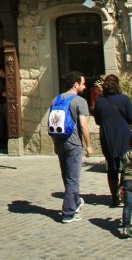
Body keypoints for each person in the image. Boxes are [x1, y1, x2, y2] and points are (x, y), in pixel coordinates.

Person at [52, 72, 92, 223]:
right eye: (82, 83)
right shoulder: (79, 101)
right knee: (73, 179)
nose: (84, 86)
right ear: (75, 84)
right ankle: (68, 213)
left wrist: (55, 143)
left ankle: (74, 203)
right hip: (73, 142)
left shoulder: (55, 99)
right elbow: (84, 125)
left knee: (67, 177)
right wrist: (89, 145)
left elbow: (52, 123)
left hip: (59, 142)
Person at [92, 74, 132, 207]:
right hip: (123, 135)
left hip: (107, 135)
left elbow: (98, 120)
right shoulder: (125, 100)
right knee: (126, 166)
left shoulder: (99, 101)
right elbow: (131, 118)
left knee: (112, 167)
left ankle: (114, 197)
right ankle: (121, 191)